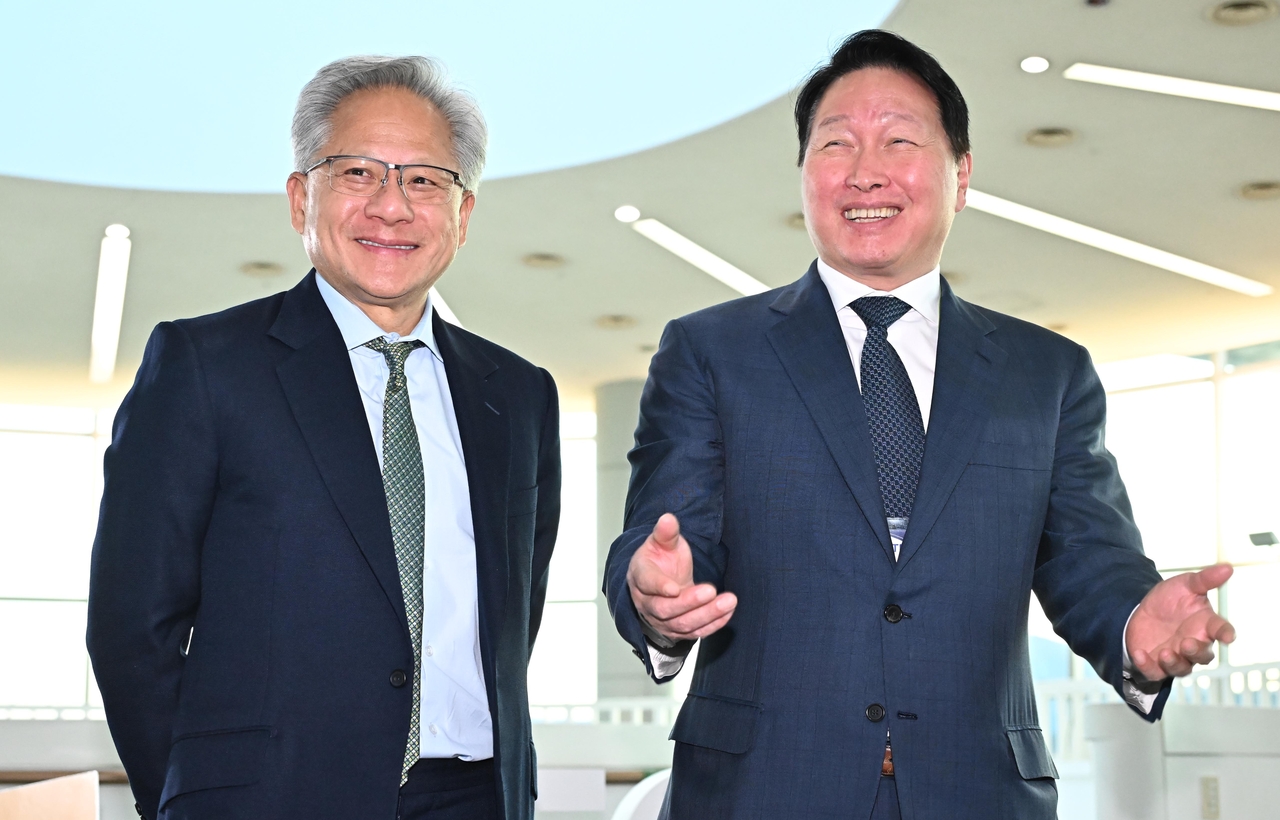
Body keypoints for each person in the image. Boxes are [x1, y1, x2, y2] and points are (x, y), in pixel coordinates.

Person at [604, 30, 1234, 820]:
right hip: (760, 790)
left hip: (979, 792)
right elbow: (663, 539)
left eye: (899, 140)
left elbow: (1088, 559)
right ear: (804, 175)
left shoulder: (1047, 374)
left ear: (961, 175)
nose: (865, 171)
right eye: (836, 144)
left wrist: (1139, 623)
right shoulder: (709, 351)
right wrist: (656, 598)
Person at [87, 56, 560, 820]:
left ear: (463, 215)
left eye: (424, 180)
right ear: (302, 197)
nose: (392, 206)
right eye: (359, 173)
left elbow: (516, 614)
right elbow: (132, 627)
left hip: (477, 795)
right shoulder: (205, 366)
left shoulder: (521, 394)